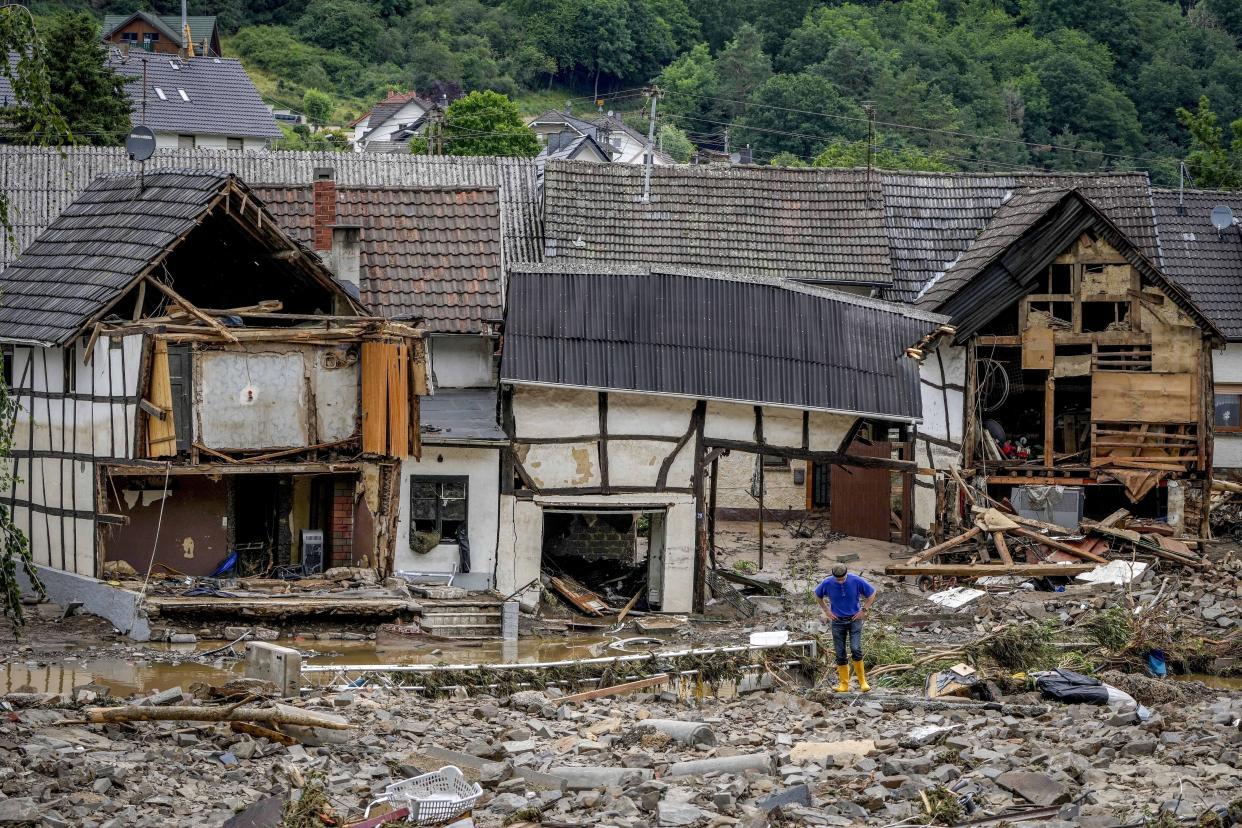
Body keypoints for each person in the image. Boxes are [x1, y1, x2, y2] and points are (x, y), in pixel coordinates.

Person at [814, 564, 877, 692]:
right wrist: (826, 611)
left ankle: (863, 682)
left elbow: (872, 593)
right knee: (840, 652)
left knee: (856, 648)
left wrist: (864, 610)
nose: (841, 581)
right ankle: (844, 684)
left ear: (847, 574)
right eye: (838, 579)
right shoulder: (827, 582)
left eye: (843, 578)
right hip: (837, 621)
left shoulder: (856, 580)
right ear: (833, 576)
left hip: (855, 619)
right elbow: (817, 595)